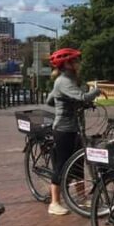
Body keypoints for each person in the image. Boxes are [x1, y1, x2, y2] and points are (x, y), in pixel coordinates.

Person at [45, 48, 101, 216]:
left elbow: (50, 100)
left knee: (77, 165)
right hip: (64, 129)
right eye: (76, 61)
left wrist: (72, 103)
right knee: (61, 165)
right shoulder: (63, 81)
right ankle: (54, 203)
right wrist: (96, 91)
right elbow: (82, 97)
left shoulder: (71, 79)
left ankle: (81, 198)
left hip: (75, 128)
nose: (79, 63)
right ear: (67, 64)